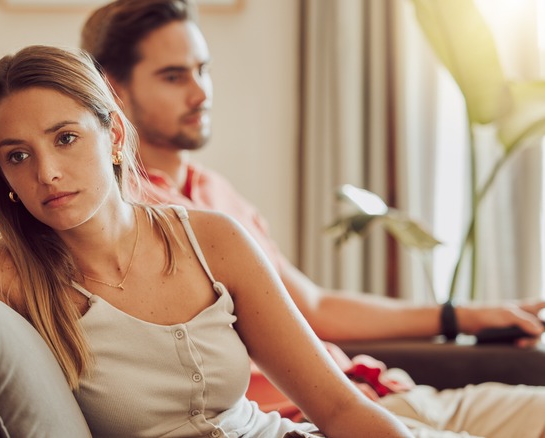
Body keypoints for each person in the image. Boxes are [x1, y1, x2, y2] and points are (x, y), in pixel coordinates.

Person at [0, 45, 412, 437]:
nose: (46, 172)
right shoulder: (1, 273)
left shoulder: (212, 239)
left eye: (67, 138)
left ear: (114, 135)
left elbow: (338, 407)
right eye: (17, 156)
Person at [81, 0, 545, 437]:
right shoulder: (126, 223)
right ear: (113, 89)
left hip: (384, 392)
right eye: (173, 76)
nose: (200, 92)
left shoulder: (214, 190)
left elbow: (312, 306)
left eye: (203, 70)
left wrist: (459, 316)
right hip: (314, 417)